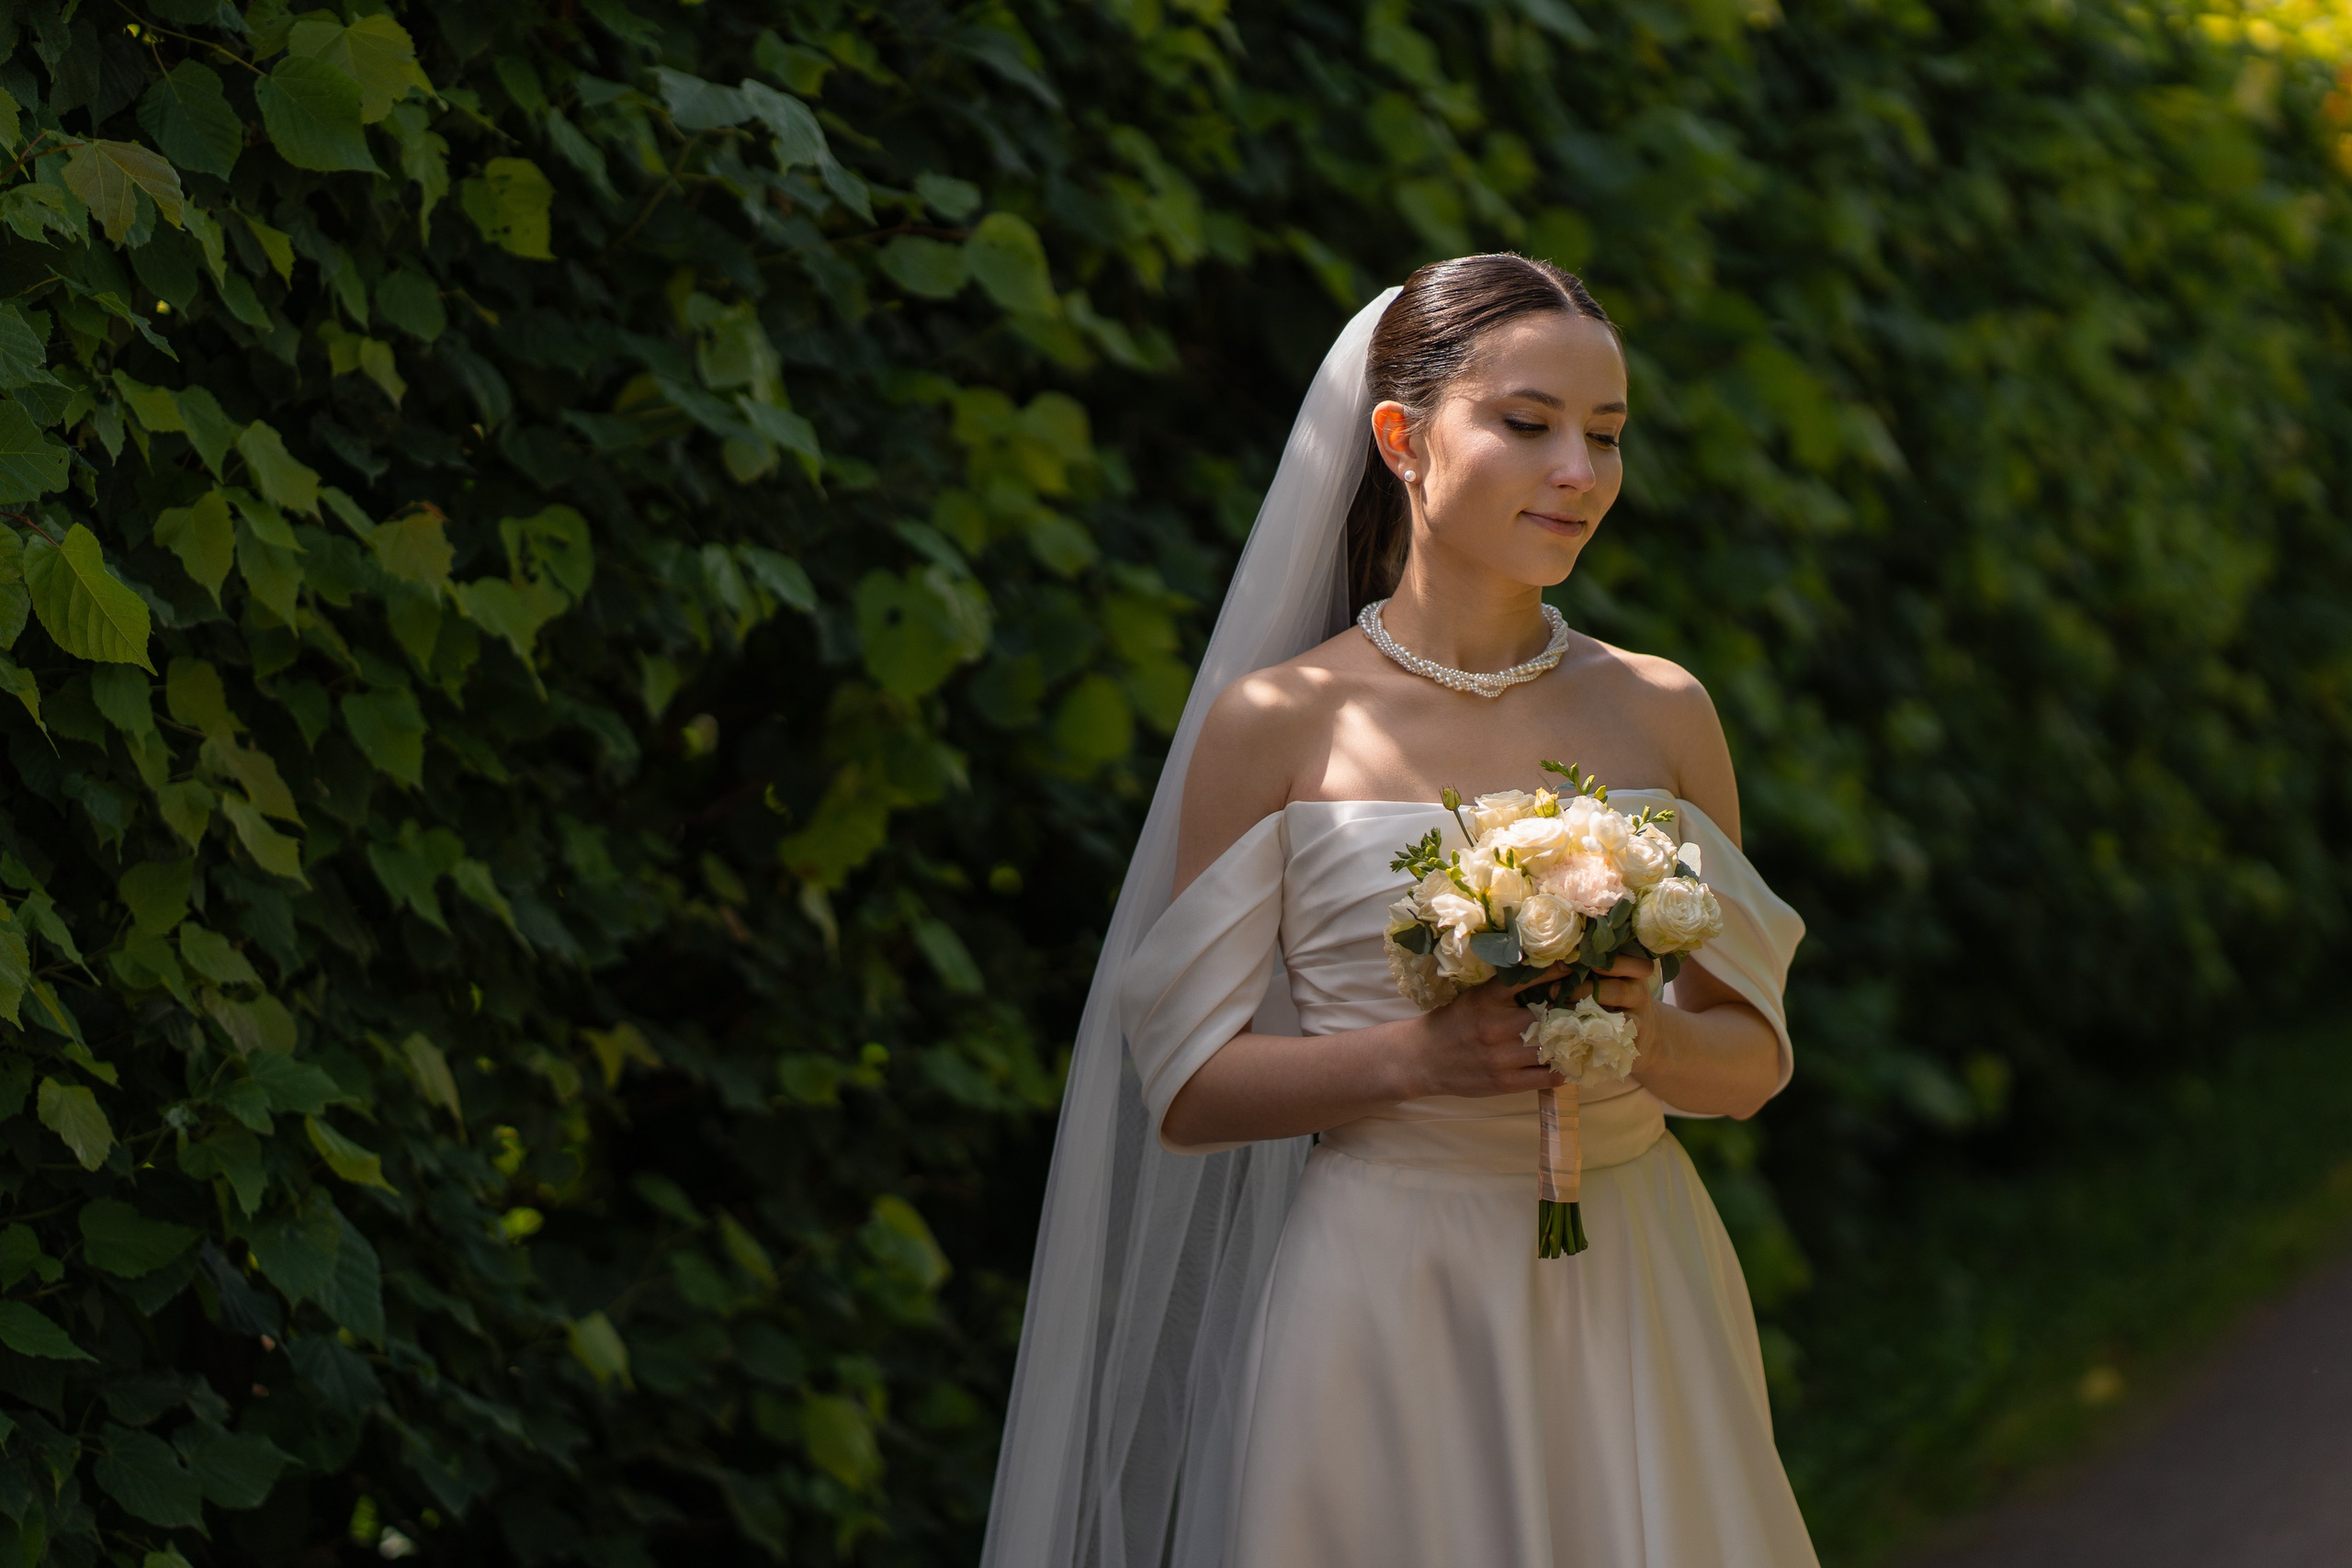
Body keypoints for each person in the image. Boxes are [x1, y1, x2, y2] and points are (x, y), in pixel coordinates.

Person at [985, 255, 1816, 1568]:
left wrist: (1635, 1037)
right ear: (1402, 440)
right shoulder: (1279, 725)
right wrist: (1415, 1061)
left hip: (1636, 1271)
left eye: (1605, 437)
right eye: (1529, 423)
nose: (1581, 474)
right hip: (1385, 1286)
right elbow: (1187, 1090)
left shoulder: (1660, 709)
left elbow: (1754, 1058)